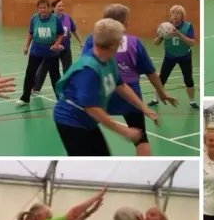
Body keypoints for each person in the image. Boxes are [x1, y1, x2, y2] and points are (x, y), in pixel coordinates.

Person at [82, 4, 178, 156]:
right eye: (126, 20)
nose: (128, 23)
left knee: (86, 134)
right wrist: (162, 92)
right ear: (120, 22)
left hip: (101, 94)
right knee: (141, 140)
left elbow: (85, 66)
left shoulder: (91, 40)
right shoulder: (134, 42)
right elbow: (151, 73)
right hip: (130, 94)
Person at [52, 18, 158, 156]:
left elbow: (121, 85)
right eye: (120, 39)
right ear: (112, 44)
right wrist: (123, 131)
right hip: (70, 120)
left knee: (103, 155)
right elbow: (92, 108)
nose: (122, 41)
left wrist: (143, 107)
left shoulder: (109, 59)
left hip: (87, 119)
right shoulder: (88, 69)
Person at [148, 5, 198, 110]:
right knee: (161, 79)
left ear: (182, 16)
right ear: (170, 16)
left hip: (185, 56)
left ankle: (192, 101)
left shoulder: (188, 26)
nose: (175, 16)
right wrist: (161, 36)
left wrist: (179, 34)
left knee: (188, 80)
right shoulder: (165, 27)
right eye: (172, 14)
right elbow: (156, 43)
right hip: (170, 56)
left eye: (177, 13)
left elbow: (192, 43)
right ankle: (155, 99)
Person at [17, 0, 64, 106]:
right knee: (30, 73)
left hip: (51, 51)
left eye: (44, 7)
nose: (42, 10)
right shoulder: (34, 19)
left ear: (49, 8)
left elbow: (61, 34)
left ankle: (60, 99)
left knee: (55, 76)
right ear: (38, 9)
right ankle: (25, 98)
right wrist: (26, 46)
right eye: (40, 8)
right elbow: (30, 34)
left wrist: (57, 43)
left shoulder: (55, 19)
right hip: (36, 50)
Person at [33, 0, 83, 95]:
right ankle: (36, 87)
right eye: (59, 6)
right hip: (51, 48)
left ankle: (69, 86)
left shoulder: (68, 18)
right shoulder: (49, 18)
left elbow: (74, 30)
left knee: (68, 68)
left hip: (65, 48)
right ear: (53, 7)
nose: (61, 8)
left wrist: (81, 41)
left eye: (62, 6)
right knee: (44, 68)